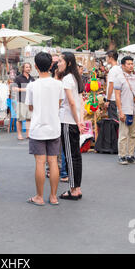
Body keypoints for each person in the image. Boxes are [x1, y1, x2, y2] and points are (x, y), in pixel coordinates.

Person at [25, 52, 64, 206]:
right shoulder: (58, 84)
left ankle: (39, 197)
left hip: (38, 128)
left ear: (35, 66)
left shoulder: (32, 85)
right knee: (53, 162)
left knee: (40, 163)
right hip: (54, 127)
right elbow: (59, 103)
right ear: (50, 66)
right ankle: (53, 197)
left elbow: (30, 107)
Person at [57, 52, 85, 200]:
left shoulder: (67, 79)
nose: (58, 63)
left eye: (60, 61)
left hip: (68, 121)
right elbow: (79, 102)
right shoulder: (75, 78)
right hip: (74, 121)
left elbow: (72, 102)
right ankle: (77, 188)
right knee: (76, 156)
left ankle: (73, 189)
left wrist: (77, 120)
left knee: (70, 156)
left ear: (68, 63)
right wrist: (80, 120)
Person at [114, 56, 135, 165]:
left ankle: (130, 155)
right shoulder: (119, 78)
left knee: (133, 134)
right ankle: (121, 156)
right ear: (122, 65)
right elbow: (117, 96)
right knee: (123, 134)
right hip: (125, 109)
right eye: (128, 64)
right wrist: (120, 111)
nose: (131, 66)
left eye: (132, 63)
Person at [13, 62, 34, 140]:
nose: (28, 68)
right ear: (23, 68)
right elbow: (14, 88)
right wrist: (25, 89)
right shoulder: (18, 78)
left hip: (29, 101)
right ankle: (19, 134)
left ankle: (28, 134)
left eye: (29, 67)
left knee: (29, 118)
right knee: (20, 119)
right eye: (26, 67)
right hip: (21, 100)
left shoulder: (32, 79)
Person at [104, 50, 121, 121]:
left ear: (111, 58)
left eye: (107, 58)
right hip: (118, 97)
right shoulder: (119, 68)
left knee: (113, 120)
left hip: (112, 99)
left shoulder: (112, 70)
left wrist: (108, 100)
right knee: (117, 119)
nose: (106, 59)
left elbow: (111, 85)